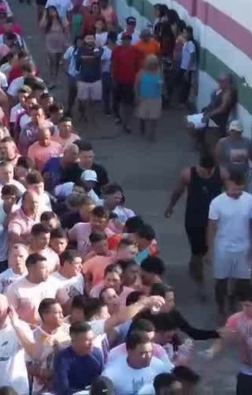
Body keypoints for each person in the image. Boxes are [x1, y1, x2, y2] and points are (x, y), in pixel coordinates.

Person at [164, 153, 222, 299]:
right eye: (204, 171)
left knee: (212, 249)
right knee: (198, 253)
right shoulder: (188, 174)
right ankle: (200, 284)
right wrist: (170, 207)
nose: (207, 174)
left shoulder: (222, 174)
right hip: (194, 218)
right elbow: (177, 191)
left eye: (210, 171)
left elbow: (230, 194)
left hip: (215, 219)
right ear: (199, 166)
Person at [207, 171, 252, 320]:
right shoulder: (217, 202)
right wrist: (209, 250)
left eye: (240, 189)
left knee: (244, 281)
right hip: (223, 248)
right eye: (234, 189)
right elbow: (211, 227)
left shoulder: (249, 200)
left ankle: (236, 305)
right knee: (221, 280)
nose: (237, 192)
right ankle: (221, 308)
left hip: (243, 247)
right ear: (228, 184)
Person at [101, 330, 173, 394]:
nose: (148, 357)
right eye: (142, 353)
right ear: (129, 352)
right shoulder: (111, 373)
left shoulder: (159, 366)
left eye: (150, 352)